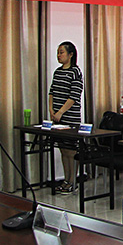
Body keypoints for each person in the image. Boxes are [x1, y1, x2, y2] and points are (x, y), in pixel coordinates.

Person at [49, 41, 84, 194]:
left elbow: (74, 96)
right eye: (58, 52)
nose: (59, 55)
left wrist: (61, 112)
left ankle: (73, 181)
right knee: (63, 150)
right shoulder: (57, 72)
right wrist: (52, 111)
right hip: (57, 119)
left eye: (61, 52)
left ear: (70, 55)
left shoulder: (75, 72)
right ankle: (66, 180)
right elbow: (52, 92)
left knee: (71, 151)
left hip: (70, 118)